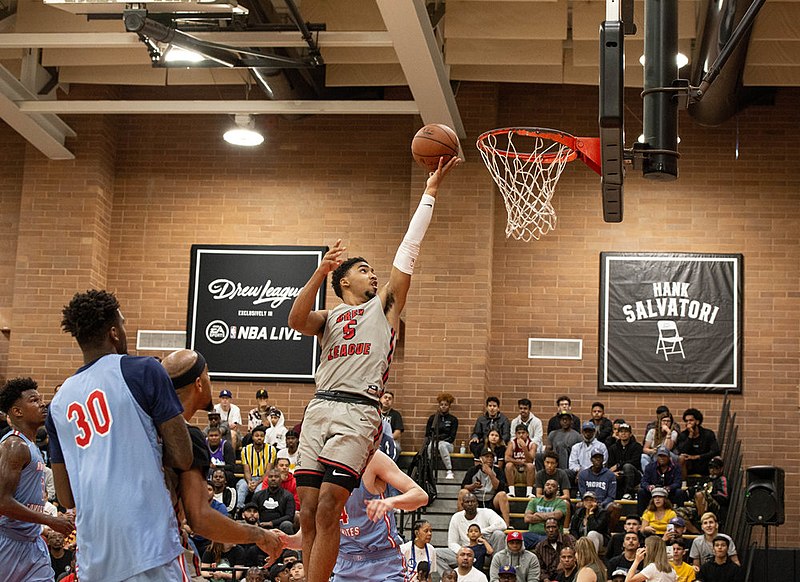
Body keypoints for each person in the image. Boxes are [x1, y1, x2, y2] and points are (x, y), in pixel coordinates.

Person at [286, 156, 459, 582]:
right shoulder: (327, 317)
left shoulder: (383, 309)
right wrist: (317, 272)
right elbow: (294, 319)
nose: (374, 274)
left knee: (329, 503)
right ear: (343, 280)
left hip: (357, 410)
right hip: (318, 409)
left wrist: (429, 194)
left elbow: (408, 254)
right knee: (307, 511)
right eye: (364, 270)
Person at [47, 289, 192, 581]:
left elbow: (66, 496)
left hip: (94, 555)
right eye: (123, 324)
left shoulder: (58, 402)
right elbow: (184, 456)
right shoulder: (144, 370)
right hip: (148, 544)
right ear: (114, 332)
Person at [161, 349, 285, 574]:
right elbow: (199, 519)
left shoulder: (146, 425)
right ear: (199, 382)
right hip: (159, 553)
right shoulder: (189, 435)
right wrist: (258, 534)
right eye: (209, 375)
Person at [284, 448, 428, 582]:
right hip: (344, 566)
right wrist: (285, 541)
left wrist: (392, 501)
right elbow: (308, 536)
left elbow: (421, 496)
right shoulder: (316, 465)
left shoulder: (372, 458)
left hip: (383, 563)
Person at [0, 377, 74, 582]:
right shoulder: (14, 446)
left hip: (32, 543)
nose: (42, 404)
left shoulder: (32, 446)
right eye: (34, 400)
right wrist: (50, 520)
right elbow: (2, 502)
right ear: (17, 411)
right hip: (7, 542)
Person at [438, 492, 507, 570]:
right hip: (464, 552)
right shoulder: (456, 517)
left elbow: (502, 525)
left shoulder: (487, 512)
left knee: (499, 534)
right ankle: (453, 576)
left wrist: (482, 532)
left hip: (484, 554)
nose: (470, 504)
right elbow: (452, 543)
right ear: (462, 504)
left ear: (477, 504)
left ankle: (498, 571)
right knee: (437, 553)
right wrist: (464, 553)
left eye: (473, 501)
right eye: (467, 502)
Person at [458, 446, 511, 525]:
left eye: (491, 457)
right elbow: (464, 486)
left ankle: (507, 525)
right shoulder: (473, 470)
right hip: (475, 499)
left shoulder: (498, 471)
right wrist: (473, 486)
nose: (489, 459)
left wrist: (491, 474)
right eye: (486, 457)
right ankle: (460, 522)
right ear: (481, 458)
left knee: (502, 495)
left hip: (492, 500)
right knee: (463, 492)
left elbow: (500, 488)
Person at [237, 425, 277, 508]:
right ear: (252, 437)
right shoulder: (245, 450)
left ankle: (256, 512)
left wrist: (257, 483)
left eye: (262, 436)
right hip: (249, 478)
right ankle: (239, 511)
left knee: (259, 491)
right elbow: (246, 471)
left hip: (263, 479)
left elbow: (268, 471)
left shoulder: (271, 450)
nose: (259, 438)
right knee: (241, 488)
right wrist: (249, 482)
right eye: (257, 436)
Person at [523, 479, 568, 549]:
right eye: (547, 485)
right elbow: (527, 518)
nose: (549, 487)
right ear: (544, 487)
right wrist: (549, 517)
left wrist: (537, 514)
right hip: (532, 535)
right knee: (519, 538)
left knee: (546, 541)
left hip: (551, 536)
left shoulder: (560, 503)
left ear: (557, 490)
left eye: (553, 486)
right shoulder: (534, 501)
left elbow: (556, 515)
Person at [638, 447, 684, 515]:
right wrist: (649, 487)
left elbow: (678, 483)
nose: (662, 458)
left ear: (669, 457)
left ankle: (680, 514)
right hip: (653, 492)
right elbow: (643, 482)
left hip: (669, 492)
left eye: (664, 456)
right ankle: (641, 515)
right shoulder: (650, 466)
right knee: (641, 491)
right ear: (657, 457)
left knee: (679, 492)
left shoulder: (676, 467)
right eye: (660, 456)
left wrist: (669, 487)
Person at [676, 409, 720, 480]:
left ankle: (714, 482)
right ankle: (684, 484)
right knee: (681, 458)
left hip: (705, 462)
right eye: (686, 421)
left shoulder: (708, 434)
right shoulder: (683, 435)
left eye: (691, 420)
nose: (688, 423)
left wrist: (697, 457)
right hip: (690, 465)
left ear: (697, 421)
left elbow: (715, 451)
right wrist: (690, 435)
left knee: (717, 459)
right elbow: (682, 451)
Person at [425, 392, 459, 480]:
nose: (443, 406)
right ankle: (428, 470)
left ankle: (449, 470)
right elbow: (427, 433)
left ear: (449, 406)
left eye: (446, 405)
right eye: (441, 404)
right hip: (434, 442)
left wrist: (440, 439)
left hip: (447, 444)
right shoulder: (433, 418)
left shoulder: (453, 419)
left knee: (442, 445)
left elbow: (452, 437)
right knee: (429, 447)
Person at [251, 469, 295, 535]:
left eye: (276, 477)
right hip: (261, 525)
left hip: (279, 526)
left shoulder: (288, 496)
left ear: (281, 480)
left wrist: (272, 523)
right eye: (270, 477)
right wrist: (258, 523)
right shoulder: (258, 495)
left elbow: (289, 516)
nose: (273, 479)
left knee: (287, 524)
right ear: (267, 479)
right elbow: (253, 512)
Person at [606, 422, 643, 500]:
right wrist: (613, 473)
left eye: (626, 432)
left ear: (630, 434)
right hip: (619, 473)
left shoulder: (637, 446)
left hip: (635, 474)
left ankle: (628, 493)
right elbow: (610, 465)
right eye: (621, 432)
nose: (623, 434)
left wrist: (618, 465)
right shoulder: (613, 448)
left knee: (627, 466)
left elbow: (635, 462)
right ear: (618, 434)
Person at [533, 517, 575, 582]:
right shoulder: (540, 546)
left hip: (568, 576)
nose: (551, 530)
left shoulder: (568, 540)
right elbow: (539, 567)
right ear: (545, 529)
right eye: (548, 527)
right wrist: (546, 579)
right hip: (548, 579)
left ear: (558, 528)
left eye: (554, 527)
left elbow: (577, 557)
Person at [546, 412, 581, 478]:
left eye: (567, 419)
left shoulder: (577, 436)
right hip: (554, 460)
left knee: (561, 446)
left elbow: (580, 453)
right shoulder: (553, 434)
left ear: (571, 421)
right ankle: (544, 476)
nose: (564, 421)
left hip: (568, 462)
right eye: (562, 419)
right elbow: (547, 451)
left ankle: (562, 475)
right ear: (560, 421)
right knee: (539, 456)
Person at [505, 424, 536, 497]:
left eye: (523, 433)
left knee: (530, 466)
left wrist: (524, 447)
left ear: (527, 434)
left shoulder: (532, 444)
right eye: (519, 433)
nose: (521, 435)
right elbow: (506, 458)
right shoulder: (512, 443)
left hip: (527, 472)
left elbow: (530, 460)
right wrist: (518, 462)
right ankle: (511, 492)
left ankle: (529, 493)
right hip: (515, 471)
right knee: (508, 465)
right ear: (516, 434)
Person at [693, 456, 728, 522]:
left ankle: (702, 521)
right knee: (681, 513)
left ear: (721, 469)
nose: (712, 470)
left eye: (715, 468)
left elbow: (724, 498)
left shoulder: (722, 479)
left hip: (718, 507)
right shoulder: (707, 479)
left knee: (700, 495)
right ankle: (698, 530)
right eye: (710, 468)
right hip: (701, 505)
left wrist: (708, 495)